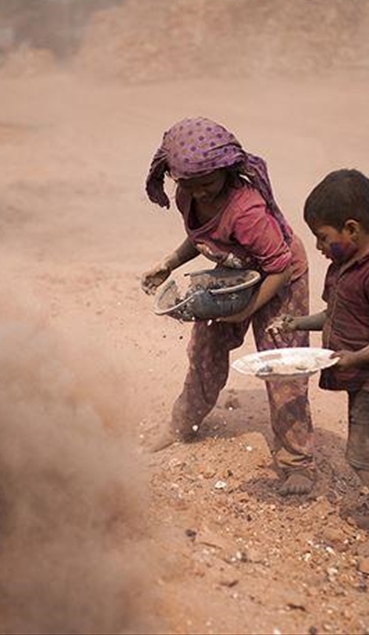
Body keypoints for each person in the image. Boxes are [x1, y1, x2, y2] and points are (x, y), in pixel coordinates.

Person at [141, 117, 316, 495]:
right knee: (204, 349)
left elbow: (279, 265)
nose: (200, 193)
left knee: (281, 365)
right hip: (238, 275)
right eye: (189, 184)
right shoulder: (188, 195)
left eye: (207, 183)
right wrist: (168, 263)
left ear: (226, 169)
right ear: (175, 178)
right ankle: (182, 423)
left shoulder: (246, 211)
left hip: (279, 279)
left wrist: (246, 310)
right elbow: (200, 237)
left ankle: (297, 462)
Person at [270, 169, 369, 556]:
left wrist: (356, 356)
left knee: (364, 459)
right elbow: (332, 315)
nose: (318, 246)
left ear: (352, 229)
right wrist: (297, 322)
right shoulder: (342, 269)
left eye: (323, 237)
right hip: (362, 378)